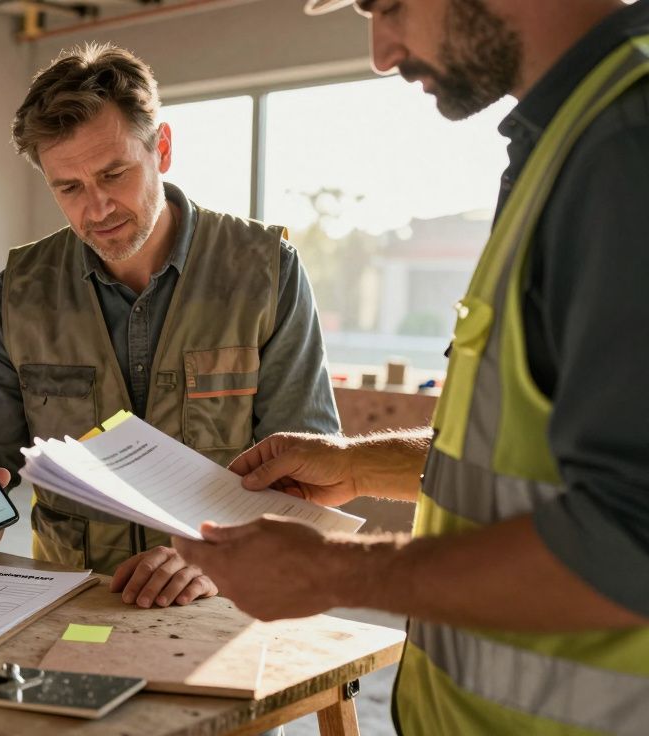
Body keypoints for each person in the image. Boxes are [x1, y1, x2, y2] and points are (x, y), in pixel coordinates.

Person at [171, 0, 649, 732]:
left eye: (388, 4)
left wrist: (333, 573)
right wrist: (358, 468)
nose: (381, 51)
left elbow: (631, 538)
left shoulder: (626, 150)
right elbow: (530, 462)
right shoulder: (570, 140)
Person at [0, 43, 340, 610]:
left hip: (230, 600)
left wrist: (220, 554)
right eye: (68, 188)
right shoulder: (19, 292)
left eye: (114, 173)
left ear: (161, 148)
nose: (97, 209)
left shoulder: (266, 271)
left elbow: (309, 475)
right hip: (73, 598)